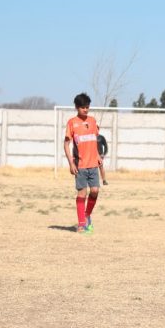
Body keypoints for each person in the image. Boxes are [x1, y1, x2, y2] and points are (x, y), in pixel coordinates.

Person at [64, 93, 101, 233]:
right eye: (83, 107)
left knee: (95, 191)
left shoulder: (92, 121)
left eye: (87, 107)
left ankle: (87, 215)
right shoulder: (72, 122)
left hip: (93, 164)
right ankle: (81, 224)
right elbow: (66, 144)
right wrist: (71, 163)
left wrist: (98, 155)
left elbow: (94, 140)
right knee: (82, 194)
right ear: (76, 107)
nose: (86, 110)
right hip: (80, 165)